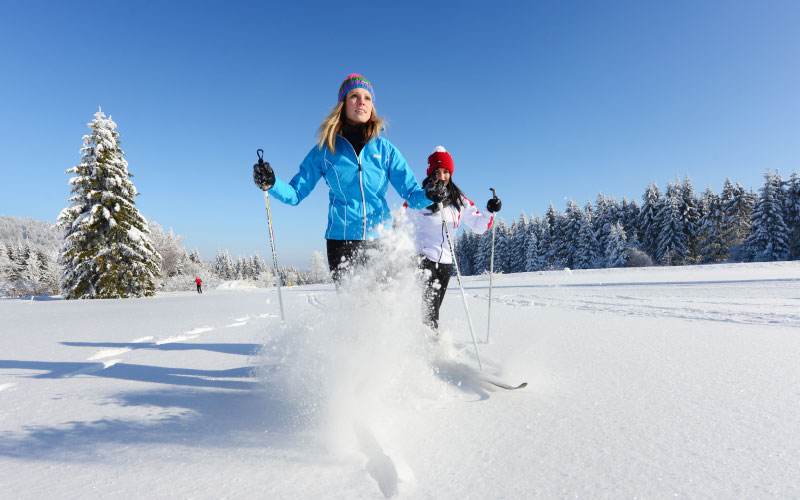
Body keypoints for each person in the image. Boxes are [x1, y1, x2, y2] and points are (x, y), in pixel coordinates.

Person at [253, 73, 438, 283]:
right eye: (354, 96)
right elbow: (295, 194)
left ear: (372, 106)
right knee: (355, 313)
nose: (361, 101)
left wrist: (431, 194)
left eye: (367, 98)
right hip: (341, 242)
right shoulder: (325, 150)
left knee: (383, 312)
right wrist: (272, 183)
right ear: (343, 104)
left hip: (382, 240)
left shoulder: (386, 150)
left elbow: (413, 195)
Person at [406, 146, 502, 330]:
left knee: (435, 306)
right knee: (430, 302)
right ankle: (431, 344)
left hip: (446, 261)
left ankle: (423, 337)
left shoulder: (460, 201)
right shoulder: (419, 198)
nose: (441, 176)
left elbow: (479, 226)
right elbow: (401, 220)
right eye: (437, 171)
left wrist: (490, 210)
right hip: (423, 257)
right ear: (430, 173)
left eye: (446, 172)